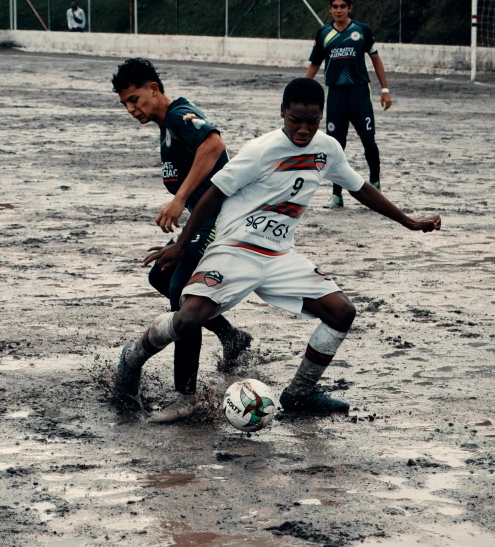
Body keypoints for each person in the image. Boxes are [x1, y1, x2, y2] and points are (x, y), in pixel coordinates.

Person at [115, 77, 440, 420]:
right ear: (283, 112)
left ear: (321, 116)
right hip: (235, 248)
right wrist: (182, 246)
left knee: (342, 312)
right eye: (295, 120)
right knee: (189, 317)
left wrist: (408, 221)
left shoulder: (327, 148)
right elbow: (213, 195)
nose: (303, 129)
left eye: (312, 121)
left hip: (280, 254)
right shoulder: (261, 150)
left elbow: (359, 187)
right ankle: (133, 356)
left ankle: (301, 392)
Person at [111, 58, 251, 422]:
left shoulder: (178, 115)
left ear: (154, 89)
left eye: (135, 98)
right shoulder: (165, 126)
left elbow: (214, 145)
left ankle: (185, 397)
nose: (131, 109)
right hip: (203, 221)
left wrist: (178, 199)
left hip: (222, 219)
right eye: (125, 103)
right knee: (160, 276)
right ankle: (231, 336)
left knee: (181, 296)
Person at [306, 0, 391, 209]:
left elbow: (376, 59)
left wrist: (385, 89)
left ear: (350, 8)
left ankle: (376, 185)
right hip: (335, 95)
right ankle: (336, 195)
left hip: (359, 94)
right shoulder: (323, 33)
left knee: (369, 142)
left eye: (343, 6)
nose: (339, 10)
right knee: (336, 146)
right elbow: (315, 64)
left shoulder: (362, 31)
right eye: (334, 7)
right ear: (329, 9)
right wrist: (302, 89)